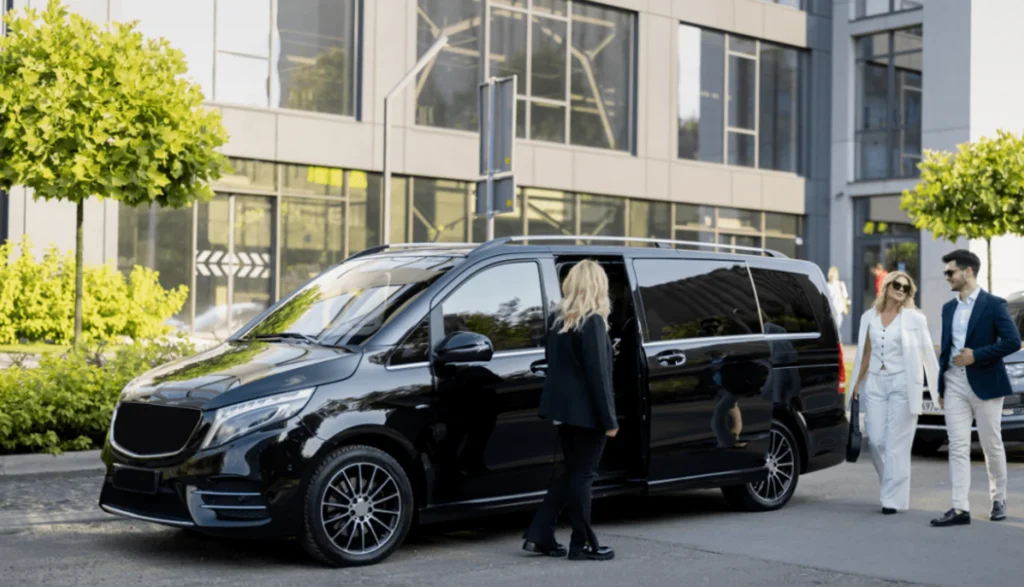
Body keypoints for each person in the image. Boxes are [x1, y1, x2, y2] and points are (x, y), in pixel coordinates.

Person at [522, 259, 617, 561]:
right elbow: (598, 376)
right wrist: (609, 420)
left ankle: (539, 535)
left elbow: (557, 366)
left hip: (562, 411)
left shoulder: (557, 320)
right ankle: (583, 543)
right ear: (598, 286)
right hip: (588, 414)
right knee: (584, 475)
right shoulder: (594, 322)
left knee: (572, 474)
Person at [930, 249, 1022, 527]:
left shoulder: (994, 304)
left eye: (950, 272)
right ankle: (960, 508)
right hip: (955, 382)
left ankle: (999, 498)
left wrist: (977, 355)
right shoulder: (948, 308)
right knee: (957, 446)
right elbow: (945, 351)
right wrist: (941, 387)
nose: (946, 277)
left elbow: (1012, 341)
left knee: (991, 444)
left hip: (985, 382)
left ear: (967, 272)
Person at [849, 270, 939, 514]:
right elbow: (865, 352)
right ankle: (893, 485)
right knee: (877, 440)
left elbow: (927, 354)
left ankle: (891, 499)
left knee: (897, 444)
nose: (901, 290)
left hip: (902, 383)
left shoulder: (914, 319)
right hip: (876, 383)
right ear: (887, 287)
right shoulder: (869, 317)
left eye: (906, 288)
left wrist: (936, 386)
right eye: (897, 285)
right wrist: (857, 382)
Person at [827, 266, 850, 331]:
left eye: (835, 274)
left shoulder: (841, 284)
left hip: (839, 310)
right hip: (830, 311)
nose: (834, 276)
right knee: (833, 330)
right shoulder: (827, 285)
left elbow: (845, 296)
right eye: (833, 274)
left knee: (836, 329)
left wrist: (846, 307)